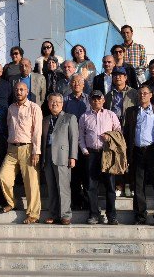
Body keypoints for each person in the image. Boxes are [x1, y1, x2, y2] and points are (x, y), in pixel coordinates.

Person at [124, 85, 154, 226]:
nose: (142, 96)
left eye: (145, 93)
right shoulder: (131, 111)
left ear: (151, 95)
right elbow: (127, 133)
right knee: (138, 186)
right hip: (137, 151)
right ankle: (140, 216)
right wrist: (127, 154)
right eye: (140, 93)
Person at [0, 82, 42, 224]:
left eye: (22, 89)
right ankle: (12, 202)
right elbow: (9, 127)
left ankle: (33, 214)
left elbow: (37, 132)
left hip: (28, 148)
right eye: (17, 90)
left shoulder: (34, 108)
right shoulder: (11, 108)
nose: (19, 92)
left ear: (27, 91)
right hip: (12, 149)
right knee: (3, 176)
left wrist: (36, 151)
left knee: (31, 182)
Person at [79, 90, 121, 225]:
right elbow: (80, 135)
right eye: (93, 99)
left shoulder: (111, 115)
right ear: (90, 101)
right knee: (91, 186)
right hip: (91, 153)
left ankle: (112, 215)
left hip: (107, 153)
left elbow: (119, 131)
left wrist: (110, 137)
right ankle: (94, 214)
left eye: (99, 99)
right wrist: (84, 149)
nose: (96, 101)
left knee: (110, 185)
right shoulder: (84, 116)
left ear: (103, 100)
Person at [41, 93, 78, 225]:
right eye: (52, 101)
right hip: (47, 156)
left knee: (63, 187)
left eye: (57, 101)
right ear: (48, 104)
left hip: (63, 156)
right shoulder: (45, 119)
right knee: (51, 188)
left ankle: (65, 215)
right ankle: (53, 214)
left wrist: (73, 156)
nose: (54, 104)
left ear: (62, 104)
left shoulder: (69, 118)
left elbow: (73, 138)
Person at [104, 66, 138, 197]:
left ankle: (131, 185)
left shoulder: (133, 93)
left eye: (120, 75)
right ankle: (120, 185)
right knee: (117, 157)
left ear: (125, 77)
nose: (118, 77)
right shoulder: (109, 95)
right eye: (115, 75)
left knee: (131, 157)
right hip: (115, 131)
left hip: (129, 128)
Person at [63, 75, 91, 211]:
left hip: (87, 141)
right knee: (73, 174)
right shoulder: (65, 100)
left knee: (87, 173)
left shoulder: (89, 99)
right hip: (71, 141)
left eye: (79, 82)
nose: (76, 84)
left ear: (83, 84)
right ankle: (76, 201)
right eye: (73, 81)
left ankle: (87, 201)